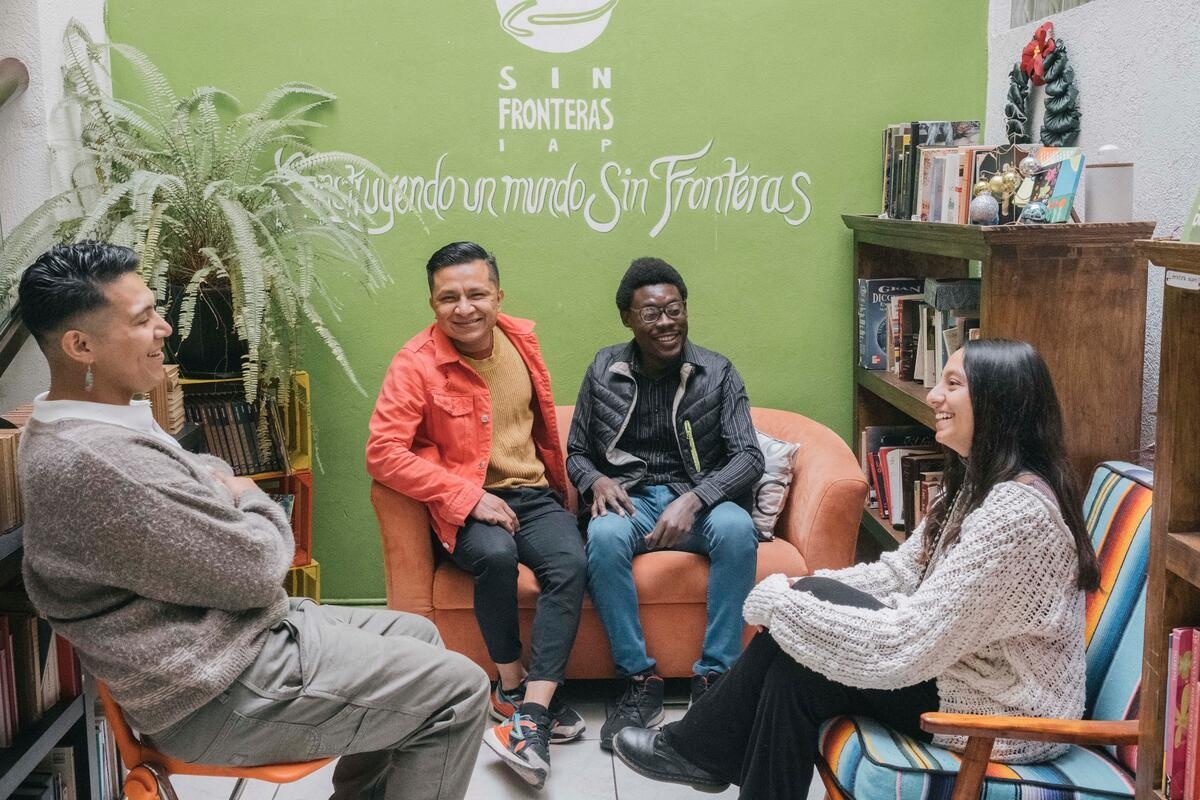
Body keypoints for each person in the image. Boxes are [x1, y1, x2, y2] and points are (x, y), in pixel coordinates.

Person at [16, 242, 491, 800]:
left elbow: (204, 470)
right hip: (216, 687)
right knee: (460, 690)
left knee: (420, 633)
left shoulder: (96, 420)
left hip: (232, 639)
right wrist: (251, 496)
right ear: (81, 345)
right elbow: (260, 567)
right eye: (144, 320)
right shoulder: (101, 462)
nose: (166, 328)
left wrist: (226, 490)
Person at [611, 339, 1102, 799]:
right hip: (959, 672)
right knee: (799, 656)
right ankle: (701, 753)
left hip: (1002, 710)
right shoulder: (976, 486)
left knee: (800, 642)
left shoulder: (1016, 512)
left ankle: (697, 751)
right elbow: (895, 575)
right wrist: (797, 591)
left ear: (1000, 401)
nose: (933, 395)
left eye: (953, 385)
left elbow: (907, 640)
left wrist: (787, 606)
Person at [366, 241, 587, 790]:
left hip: (532, 493)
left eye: (476, 293)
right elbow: (383, 450)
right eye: (449, 297)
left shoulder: (521, 339)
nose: (464, 307)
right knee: (495, 555)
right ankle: (507, 686)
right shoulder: (415, 363)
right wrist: (467, 498)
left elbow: (537, 428)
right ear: (432, 303)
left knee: (571, 565)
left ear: (497, 295)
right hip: (461, 500)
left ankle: (532, 711)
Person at [567, 257, 765, 751]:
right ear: (628, 319)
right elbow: (574, 453)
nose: (666, 322)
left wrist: (696, 499)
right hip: (632, 499)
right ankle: (639, 682)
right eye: (651, 313)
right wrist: (595, 482)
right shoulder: (602, 368)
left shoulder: (717, 372)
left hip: (699, 499)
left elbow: (749, 456)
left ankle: (716, 680)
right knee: (605, 534)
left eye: (674, 309)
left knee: (738, 529)